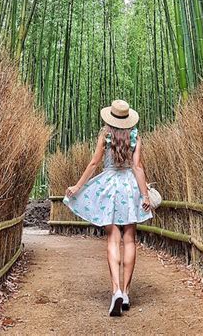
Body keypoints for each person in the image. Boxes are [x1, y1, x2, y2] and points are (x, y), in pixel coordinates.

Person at [63, 99, 153, 317]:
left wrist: (77, 186)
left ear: (111, 118)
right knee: (130, 240)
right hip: (130, 187)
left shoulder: (105, 135)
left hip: (110, 187)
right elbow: (137, 166)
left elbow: (94, 163)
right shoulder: (135, 137)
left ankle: (116, 291)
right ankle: (127, 293)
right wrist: (144, 194)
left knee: (113, 239)